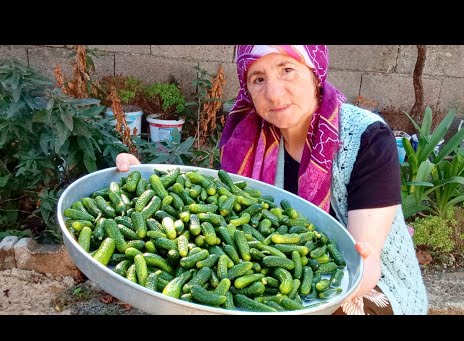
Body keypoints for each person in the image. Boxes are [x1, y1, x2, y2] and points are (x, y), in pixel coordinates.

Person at [116, 45, 429, 315]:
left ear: (314, 71)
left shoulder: (366, 138)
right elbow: (214, 207)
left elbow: (367, 265)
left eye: (287, 70)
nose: (274, 93)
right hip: (272, 279)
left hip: (365, 286)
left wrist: (303, 299)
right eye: (259, 79)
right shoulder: (246, 138)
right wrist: (142, 187)